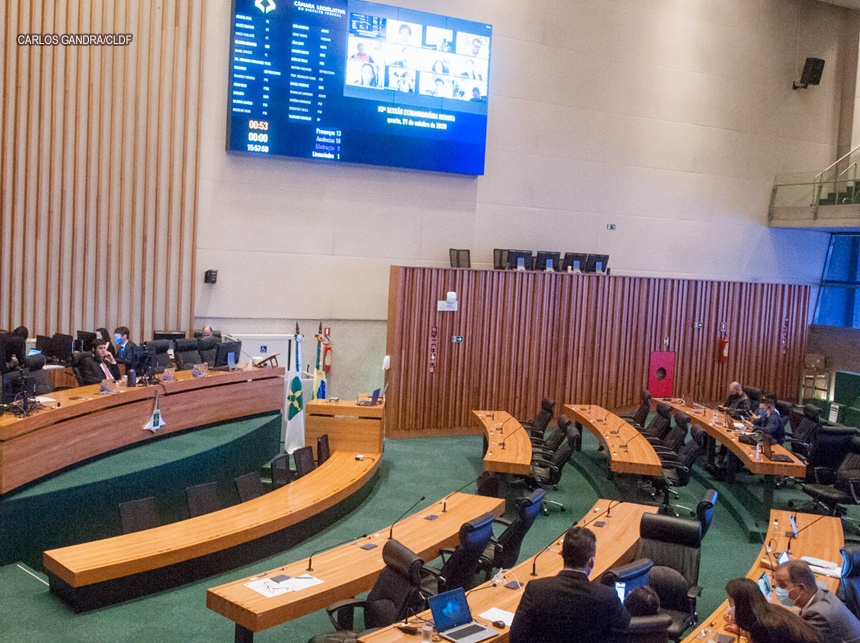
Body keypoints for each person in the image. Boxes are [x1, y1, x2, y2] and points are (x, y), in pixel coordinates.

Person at [509, 526, 630, 643]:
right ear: (591, 561)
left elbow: (516, 636)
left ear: (562, 554)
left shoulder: (536, 589)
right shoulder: (606, 595)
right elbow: (625, 623)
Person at [774, 559, 860, 642]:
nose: (777, 589)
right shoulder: (820, 593)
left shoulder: (818, 614)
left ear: (801, 588)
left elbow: (796, 637)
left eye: (782, 585)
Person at [724, 577, 821, 643]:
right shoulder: (770, 610)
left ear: (742, 605)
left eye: (731, 602)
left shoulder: (764, 625)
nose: (730, 607)